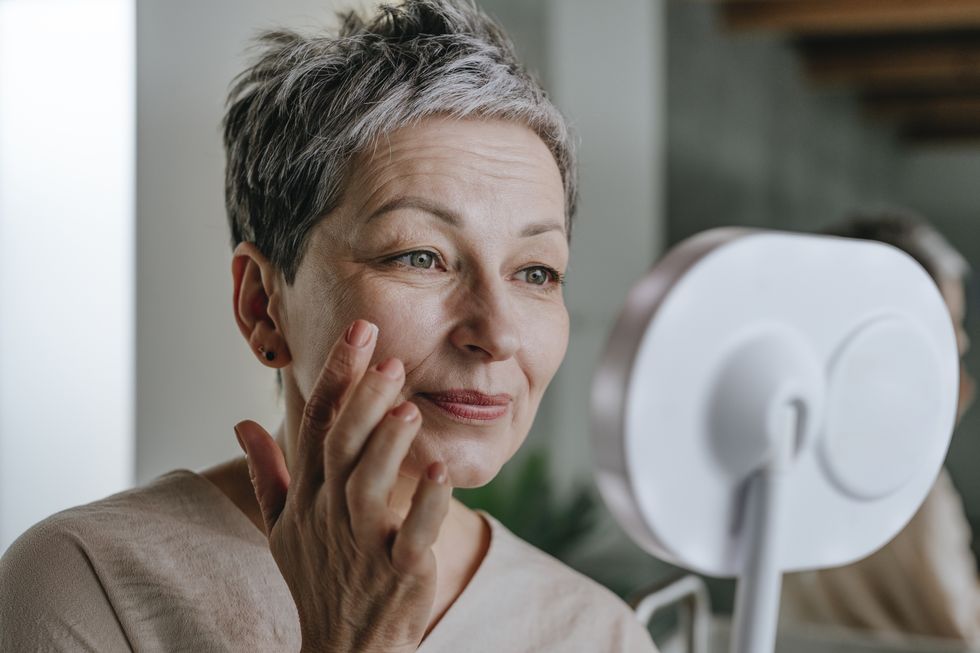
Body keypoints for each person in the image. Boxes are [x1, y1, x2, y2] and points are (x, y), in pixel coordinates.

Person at [0, 1, 657, 651]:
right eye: (420, 256)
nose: (498, 333)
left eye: (536, 271)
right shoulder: (82, 582)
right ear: (263, 304)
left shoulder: (599, 633)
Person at [781, 209, 979, 644]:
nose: (960, 344)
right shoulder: (901, 474)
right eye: (947, 325)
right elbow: (959, 626)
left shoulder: (787, 439)